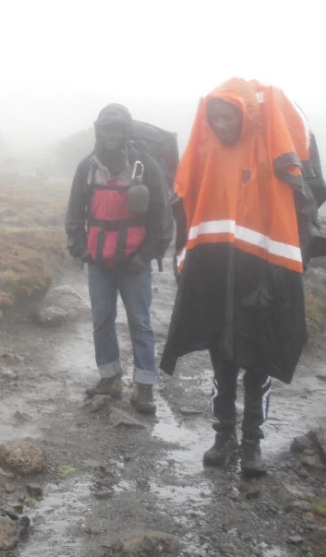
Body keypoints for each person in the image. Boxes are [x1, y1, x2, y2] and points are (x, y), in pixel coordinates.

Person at [160, 78, 326, 477]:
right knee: (222, 361)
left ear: (244, 115)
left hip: (262, 275)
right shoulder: (207, 153)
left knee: (257, 362)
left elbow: (303, 199)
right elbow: (186, 203)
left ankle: (252, 442)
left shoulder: (270, 149)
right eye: (214, 117)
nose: (220, 124)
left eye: (228, 116)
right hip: (217, 272)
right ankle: (223, 436)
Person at [66, 104, 174, 414]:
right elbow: (74, 214)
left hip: (134, 263)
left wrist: (145, 256)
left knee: (140, 322)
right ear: (98, 131)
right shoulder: (87, 167)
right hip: (98, 261)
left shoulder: (146, 166)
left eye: (116, 129)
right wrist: (82, 250)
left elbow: (162, 218)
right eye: (106, 129)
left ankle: (144, 386)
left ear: (126, 132)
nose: (111, 135)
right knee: (102, 320)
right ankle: (110, 379)